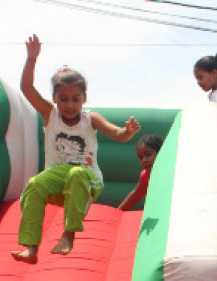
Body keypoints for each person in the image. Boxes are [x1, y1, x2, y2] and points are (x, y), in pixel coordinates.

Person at [12, 34, 141, 264]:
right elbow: (27, 87)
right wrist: (31, 59)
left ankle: (68, 235)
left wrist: (128, 131)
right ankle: (31, 247)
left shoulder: (90, 119)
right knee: (34, 184)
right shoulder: (49, 114)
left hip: (88, 180)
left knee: (76, 173)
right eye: (63, 99)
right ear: (54, 98)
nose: (69, 105)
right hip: (57, 180)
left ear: (84, 98)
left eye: (75, 99)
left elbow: (118, 135)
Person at [118, 134, 163, 211]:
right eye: (141, 157)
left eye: (148, 154)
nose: (144, 160)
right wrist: (118, 211)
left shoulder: (173, 171)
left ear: (161, 153)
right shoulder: (147, 175)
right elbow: (137, 195)